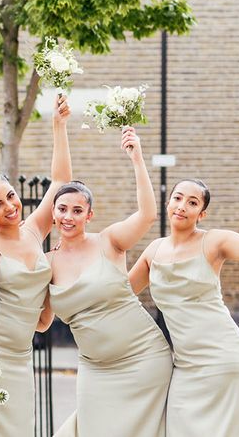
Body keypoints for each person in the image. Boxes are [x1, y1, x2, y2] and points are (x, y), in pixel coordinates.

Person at [129, 158, 239, 437]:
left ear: (201, 214)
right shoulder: (153, 251)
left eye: (192, 203)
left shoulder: (215, 241)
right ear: (168, 203)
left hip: (226, 363)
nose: (182, 206)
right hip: (185, 369)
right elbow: (119, 295)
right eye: (177, 198)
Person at [42, 127, 172, 437]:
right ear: (54, 213)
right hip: (95, 369)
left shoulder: (109, 241)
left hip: (144, 359)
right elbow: (42, 322)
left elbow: (148, 214)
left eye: (77, 211)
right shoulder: (46, 264)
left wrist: (137, 157)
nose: (68, 217)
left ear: (89, 215)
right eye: (62, 210)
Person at [0, 94, 72, 436]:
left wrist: (59, 126)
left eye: (11, 196)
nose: (10, 206)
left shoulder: (34, 230)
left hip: (23, 354)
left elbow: (60, 182)